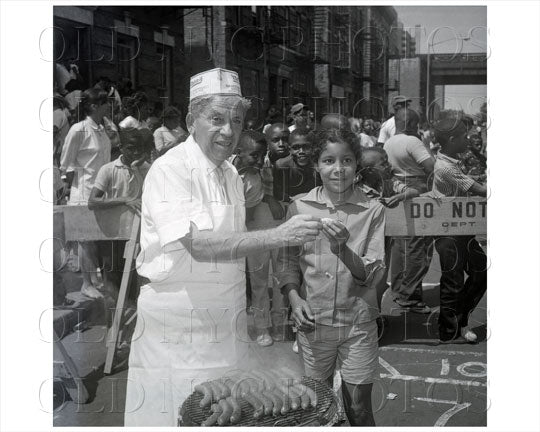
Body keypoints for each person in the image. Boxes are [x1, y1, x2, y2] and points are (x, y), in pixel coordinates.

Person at [124, 68, 322, 426]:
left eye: (236, 120)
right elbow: (199, 245)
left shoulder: (231, 174)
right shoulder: (170, 170)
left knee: (228, 418)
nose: (228, 131)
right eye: (215, 119)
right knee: (174, 418)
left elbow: (235, 243)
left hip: (228, 327)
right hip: (178, 330)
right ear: (190, 120)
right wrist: (279, 235)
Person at [277, 128, 385, 426]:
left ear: (356, 165)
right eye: (328, 160)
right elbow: (286, 261)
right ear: (317, 165)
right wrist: (294, 298)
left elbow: (372, 275)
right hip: (314, 323)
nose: (338, 169)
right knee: (316, 403)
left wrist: (343, 249)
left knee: (359, 407)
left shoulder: (372, 210)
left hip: (358, 324)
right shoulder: (299, 207)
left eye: (346, 160)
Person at [431, 118, 487, 344]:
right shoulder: (444, 167)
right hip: (448, 232)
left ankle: (460, 318)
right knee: (452, 281)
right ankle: (449, 329)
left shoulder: (451, 161)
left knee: (482, 270)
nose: (469, 139)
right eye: (464, 136)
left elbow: (468, 182)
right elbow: (482, 191)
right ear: (452, 140)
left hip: (463, 226)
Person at [232, 131, 288, 346]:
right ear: (238, 153)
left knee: (280, 278)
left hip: (273, 226)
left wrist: (270, 198)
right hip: (252, 231)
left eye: (261, 155)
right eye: (254, 155)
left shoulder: (257, 176)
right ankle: (262, 327)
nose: (259, 159)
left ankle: (279, 324)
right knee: (259, 282)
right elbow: (244, 217)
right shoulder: (227, 170)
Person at [59, 87, 112, 299]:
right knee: (85, 238)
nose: (109, 106)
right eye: (105, 102)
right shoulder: (78, 130)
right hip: (83, 191)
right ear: (93, 106)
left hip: (101, 192)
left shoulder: (102, 128)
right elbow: (66, 163)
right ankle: (86, 283)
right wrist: (68, 189)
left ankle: (96, 280)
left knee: (96, 237)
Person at [357, 147, 420, 323]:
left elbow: (415, 192)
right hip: (363, 244)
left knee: (380, 281)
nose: (388, 165)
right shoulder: (356, 189)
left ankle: (374, 317)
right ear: (369, 170)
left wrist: (400, 197)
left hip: (385, 243)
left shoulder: (389, 183)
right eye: (383, 163)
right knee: (362, 282)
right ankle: (363, 319)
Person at [87, 128, 150, 302]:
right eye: (131, 148)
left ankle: (135, 321)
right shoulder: (108, 169)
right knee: (112, 284)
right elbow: (92, 202)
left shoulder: (148, 169)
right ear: (121, 148)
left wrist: (137, 170)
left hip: (139, 237)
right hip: (113, 236)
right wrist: (124, 200)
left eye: (139, 148)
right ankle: (113, 326)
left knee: (137, 284)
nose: (135, 152)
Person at [384, 108, 435, 313]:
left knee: (401, 246)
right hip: (416, 188)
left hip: (397, 187)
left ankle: (399, 290)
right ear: (414, 123)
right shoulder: (413, 142)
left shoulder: (389, 142)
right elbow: (431, 167)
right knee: (418, 248)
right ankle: (410, 297)